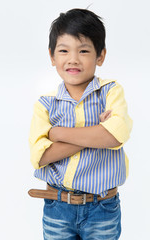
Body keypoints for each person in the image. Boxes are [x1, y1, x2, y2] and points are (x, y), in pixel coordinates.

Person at [29, 8, 133, 240]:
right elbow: (41, 157)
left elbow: (114, 136)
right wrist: (95, 133)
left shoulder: (111, 92)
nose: (73, 59)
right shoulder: (45, 104)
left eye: (84, 50)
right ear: (52, 56)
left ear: (100, 56)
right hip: (58, 207)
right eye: (64, 50)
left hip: (102, 208)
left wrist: (56, 133)